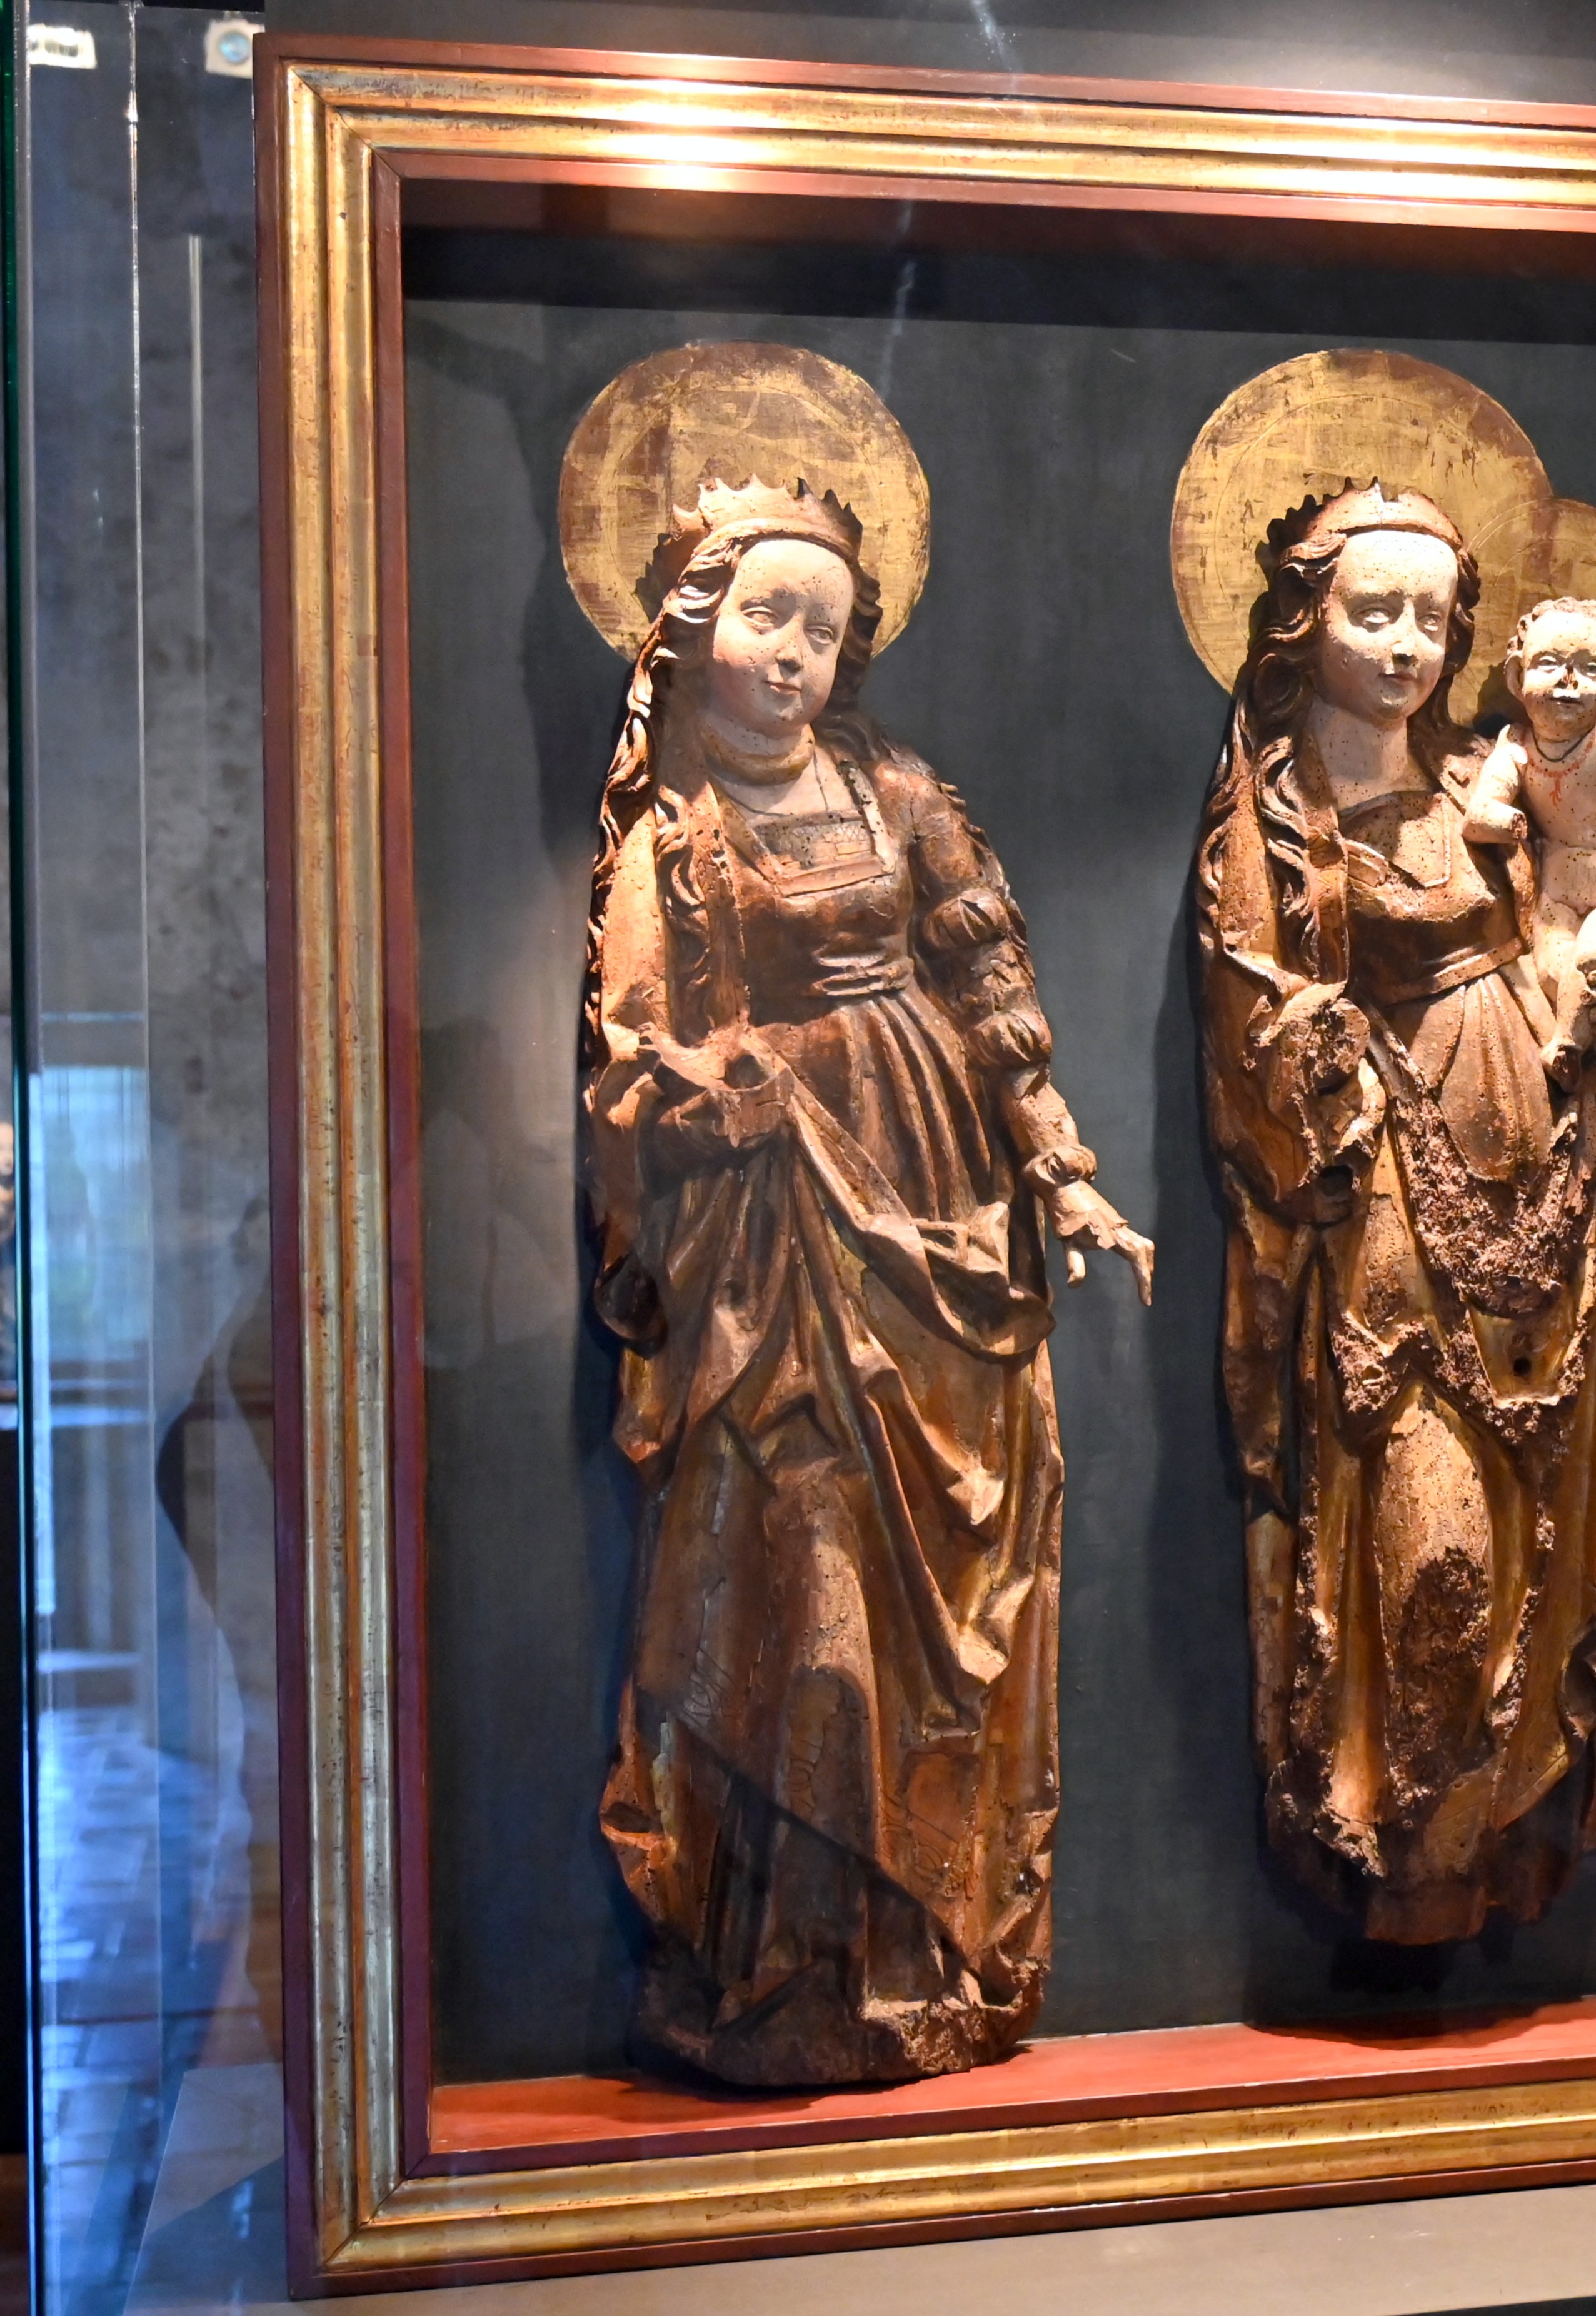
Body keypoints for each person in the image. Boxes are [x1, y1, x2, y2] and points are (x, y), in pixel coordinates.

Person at [581, 478, 1149, 2085]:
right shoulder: (673, 838)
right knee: (803, 1593)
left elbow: (985, 975)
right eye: (766, 617)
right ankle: (788, 1962)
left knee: (950, 1603)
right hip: (776, 1259)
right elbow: (633, 1065)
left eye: (822, 632)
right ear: (692, 632)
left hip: (941, 1206)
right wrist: (731, 1090)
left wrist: (1060, 1161)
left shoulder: (898, 789)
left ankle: (930, 1951)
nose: (794, 654)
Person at [1192, 483, 1596, 1945]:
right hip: (1385, 1207)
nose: (1407, 642)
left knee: (1546, 1534)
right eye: (1373, 611)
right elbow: (1253, 1009)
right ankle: (1398, 1837)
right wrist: (1328, 1056)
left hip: (1549, 1182)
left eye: (1431, 616)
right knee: (1434, 1553)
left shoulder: (1497, 775)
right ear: (1308, 623)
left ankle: (1484, 1848)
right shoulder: (1274, 812)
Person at [1458, 596, 1596, 1094]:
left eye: (1589, 669)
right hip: (1560, 888)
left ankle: (1566, 1043)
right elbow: (1478, 816)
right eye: (1549, 663)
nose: (1567, 680)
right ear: (1517, 677)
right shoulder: (1515, 747)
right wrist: (1506, 819)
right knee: (1554, 971)